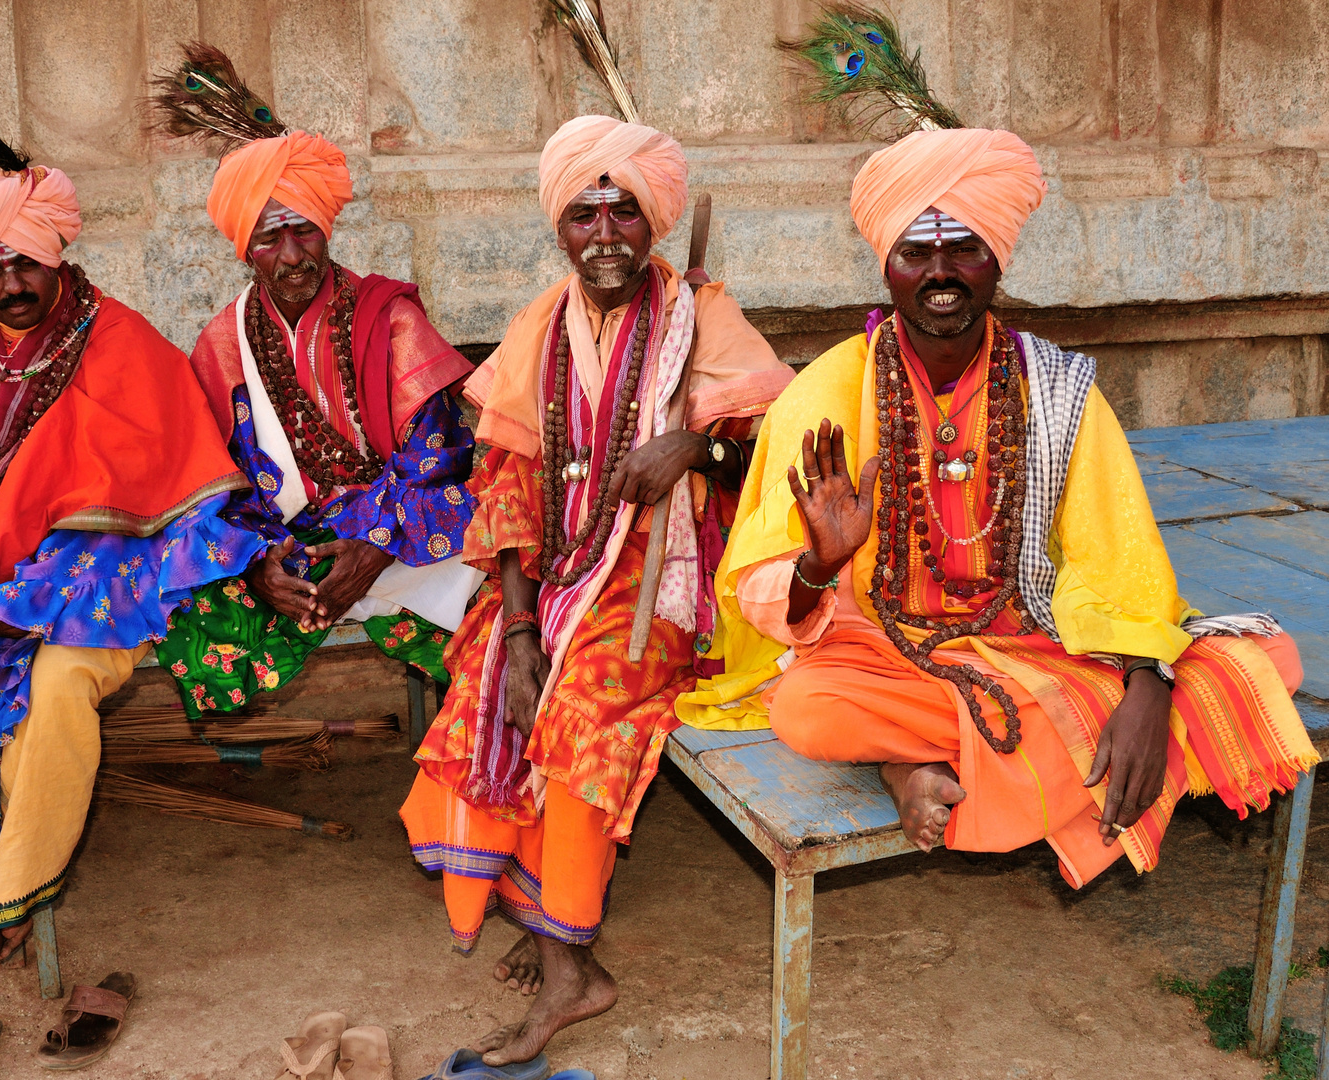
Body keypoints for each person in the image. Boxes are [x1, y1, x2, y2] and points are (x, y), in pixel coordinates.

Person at [680, 126, 1315, 887]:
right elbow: (759, 589)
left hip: (1028, 632)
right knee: (806, 709)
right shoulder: (824, 393)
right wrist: (819, 562)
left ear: (996, 261)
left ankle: (913, 763)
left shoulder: (1053, 388)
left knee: (1270, 660)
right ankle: (955, 764)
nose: (940, 273)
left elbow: (1117, 554)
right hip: (883, 648)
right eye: (916, 253)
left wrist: (1148, 685)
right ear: (886, 266)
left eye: (964, 249)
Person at [0, 101, 259, 1038]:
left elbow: (149, 516)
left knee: (55, 693)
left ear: (57, 254)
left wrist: (24, 603)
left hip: (98, 596)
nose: (11, 282)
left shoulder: (124, 347)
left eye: (26, 259)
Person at [401, 115, 794, 1065]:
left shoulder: (704, 315)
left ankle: (571, 965)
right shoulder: (539, 324)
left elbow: (777, 451)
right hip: (552, 573)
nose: (607, 233)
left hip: (663, 580)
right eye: (585, 214)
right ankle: (549, 929)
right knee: (489, 694)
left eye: (625, 211)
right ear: (561, 226)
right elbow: (503, 483)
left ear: (654, 220)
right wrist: (524, 628)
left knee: (579, 721)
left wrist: (694, 444)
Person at [150, 44, 481, 714]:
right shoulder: (222, 344)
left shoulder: (388, 321)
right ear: (246, 247)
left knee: (486, 620)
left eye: (303, 229)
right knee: (184, 603)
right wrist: (258, 564)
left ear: (325, 225)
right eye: (270, 239)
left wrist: (373, 544)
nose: (293, 255)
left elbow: (437, 459)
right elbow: (210, 480)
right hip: (287, 543)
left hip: (397, 526)